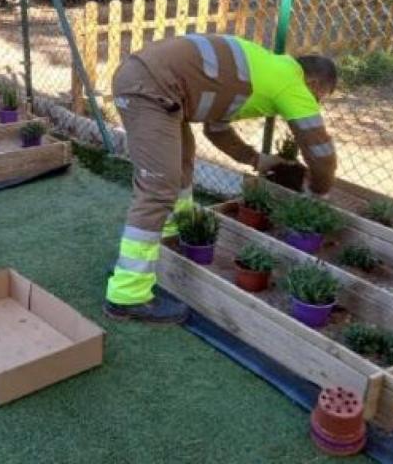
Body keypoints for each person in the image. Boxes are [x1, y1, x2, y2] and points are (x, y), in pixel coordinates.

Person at [104, 34, 339, 323]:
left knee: (181, 164)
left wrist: (255, 159)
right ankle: (127, 295)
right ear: (313, 84)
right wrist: (318, 193)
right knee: (157, 189)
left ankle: (168, 238)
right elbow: (320, 152)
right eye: (320, 98)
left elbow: (216, 130)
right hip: (152, 88)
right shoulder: (292, 84)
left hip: (157, 86)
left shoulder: (263, 68)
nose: (316, 104)